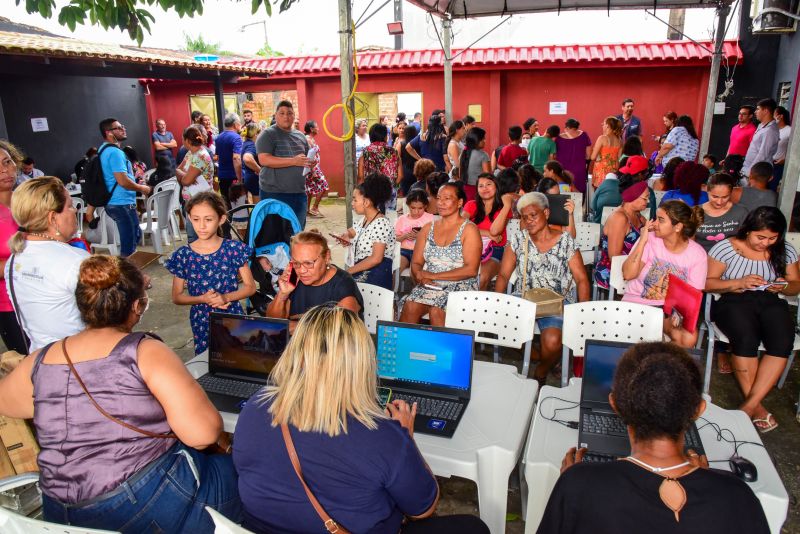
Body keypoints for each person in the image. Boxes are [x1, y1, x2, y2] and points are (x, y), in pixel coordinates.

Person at [0, 254, 242, 532]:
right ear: (137, 306)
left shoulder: (44, 358)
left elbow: (8, 402)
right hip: (136, 504)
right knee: (240, 471)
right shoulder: (143, 351)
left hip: (60, 512)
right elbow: (202, 436)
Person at [234, 304, 490, 534]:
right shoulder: (381, 436)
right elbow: (422, 508)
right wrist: (406, 437)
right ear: (362, 363)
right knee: (474, 527)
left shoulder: (257, 405)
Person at [538, 342, 770, 534]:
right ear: (699, 410)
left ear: (615, 404)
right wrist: (710, 479)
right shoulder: (737, 496)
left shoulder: (578, 483)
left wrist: (573, 483)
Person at [706, 206, 798, 433]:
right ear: (748, 230)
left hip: (770, 300)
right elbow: (707, 283)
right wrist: (738, 282)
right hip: (732, 301)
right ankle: (755, 407)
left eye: (772, 238)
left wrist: (784, 286)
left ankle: (748, 406)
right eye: (761, 237)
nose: (765, 243)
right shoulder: (725, 248)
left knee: (782, 340)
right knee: (746, 338)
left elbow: (796, 284)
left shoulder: (785, 250)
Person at [495, 192, 590, 384]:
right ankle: (539, 356)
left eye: (533, 215)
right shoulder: (517, 240)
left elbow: (581, 279)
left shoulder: (565, 241)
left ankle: (541, 371)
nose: (529, 221)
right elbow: (504, 275)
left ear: (546, 213)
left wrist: (583, 313)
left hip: (555, 301)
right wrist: (499, 302)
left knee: (553, 341)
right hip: (524, 298)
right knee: (504, 329)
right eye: (524, 217)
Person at [165, 192, 256, 355]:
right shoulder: (183, 255)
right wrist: (202, 299)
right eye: (195, 219)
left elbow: (250, 287)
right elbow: (177, 296)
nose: (201, 226)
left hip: (233, 315)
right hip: (201, 320)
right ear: (189, 218)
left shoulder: (234, 249)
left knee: (238, 357)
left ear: (221, 219)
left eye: (208, 219)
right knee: (207, 361)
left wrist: (225, 297)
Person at [5, 176, 88, 351]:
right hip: (80, 361)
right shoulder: (75, 260)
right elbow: (110, 319)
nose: (74, 211)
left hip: (42, 359)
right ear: (52, 218)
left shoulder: (14, 259)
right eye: (70, 206)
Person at [622, 200, 707, 347]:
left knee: (688, 337)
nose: (654, 223)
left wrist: (677, 315)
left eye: (660, 220)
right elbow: (628, 275)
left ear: (678, 227)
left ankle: (665, 367)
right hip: (637, 303)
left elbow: (692, 295)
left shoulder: (697, 254)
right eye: (656, 218)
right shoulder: (650, 240)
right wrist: (642, 241)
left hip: (668, 310)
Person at [399, 182, 481, 326]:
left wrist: (432, 275)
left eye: (447, 198)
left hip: (460, 285)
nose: (441, 203)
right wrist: (419, 276)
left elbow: (471, 269)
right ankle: (405, 348)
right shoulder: (427, 228)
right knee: (410, 305)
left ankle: (442, 349)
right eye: (438, 198)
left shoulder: (469, 229)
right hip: (429, 284)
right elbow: (416, 263)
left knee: (437, 310)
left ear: (460, 202)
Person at [266, 230, 363, 329]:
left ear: (327, 257)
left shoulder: (343, 283)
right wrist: (282, 295)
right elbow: (273, 323)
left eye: (308, 263)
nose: (302, 270)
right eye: (296, 263)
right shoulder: (294, 277)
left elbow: (343, 329)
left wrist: (293, 327)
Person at [97, 118, 151, 256]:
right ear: (109, 133)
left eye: (122, 126)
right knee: (129, 243)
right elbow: (122, 181)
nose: (123, 129)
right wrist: (142, 188)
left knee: (134, 236)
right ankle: (126, 274)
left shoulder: (103, 150)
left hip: (119, 201)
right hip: (120, 202)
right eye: (119, 128)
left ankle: (128, 270)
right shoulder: (115, 153)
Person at [257, 100, 312, 229]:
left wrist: (310, 163)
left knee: (298, 232)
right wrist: (294, 161)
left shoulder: (300, 136)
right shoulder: (267, 134)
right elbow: (264, 160)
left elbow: (303, 160)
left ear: (294, 116)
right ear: (275, 115)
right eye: (281, 113)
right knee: (276, 233)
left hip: (299, 192)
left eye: (289, 113)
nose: (286, 116)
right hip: (274, 192)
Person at [338, 174, 395, 289]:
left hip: (376, 275)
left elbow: (376, 258)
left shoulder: (381, 223)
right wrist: (347, 235)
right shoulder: (365, 219)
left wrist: (348, 272)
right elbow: (355, 231)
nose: (352, 203)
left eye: (355, 200)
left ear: (367, 202)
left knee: (339, 286)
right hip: (363, 268)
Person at [594, 180, 650, 290]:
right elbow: (614, 258)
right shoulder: (619, 218)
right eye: (645, 198)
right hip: (612, 269)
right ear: (632, 196)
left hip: (631, 264)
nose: (647, 201)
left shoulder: (638, 216)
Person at [0, 141, 29, 353]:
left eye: (7, 162)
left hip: (46, 295)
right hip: (9, 305)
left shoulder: (29, 201)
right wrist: (27, 264)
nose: (4, 170)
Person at [464, 173, 511, 290]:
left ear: (496, 187)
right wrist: (487, 233)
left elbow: (495, 231)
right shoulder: (471, 205)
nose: (485, 188)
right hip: (469, 248)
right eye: (481, 186)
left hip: (495, 250)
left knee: (482, 278)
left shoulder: (503, 208)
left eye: (489, 184)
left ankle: (478, 307)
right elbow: (460, 227)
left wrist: (507, 205)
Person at [175, 125, 214, 243]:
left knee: (199, 236)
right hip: (191, 201)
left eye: (182, 139)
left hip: (201, 201)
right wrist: (185, 176)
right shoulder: (190, 154)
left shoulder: (201, 155)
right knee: (192, 236)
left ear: (187, 140)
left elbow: (186, 181)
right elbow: (177, 170)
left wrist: (184, 177)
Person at [695, 172, 748, 252]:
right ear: (706, 190)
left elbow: (745, 240)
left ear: (731, 193)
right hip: (701, 259)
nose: (719, 202)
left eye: (725, 197)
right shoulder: (695, 212)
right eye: (715, 196)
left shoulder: (741, 212)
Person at [359, 123, 399, 211]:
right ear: (385, 136)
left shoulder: (365, 152)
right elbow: (401, 176)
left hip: (371, 191)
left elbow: (361, 177)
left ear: (371, 137)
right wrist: (392, 188)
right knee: (389, 219)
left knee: (372, 217)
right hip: (389, 191)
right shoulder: (394, 152)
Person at [395, 189, 435, 273]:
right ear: (408, 205)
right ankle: (394, 286)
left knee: (417, 272)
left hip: (421, 252)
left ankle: (418, 286)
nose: (416, 211)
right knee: (396, 270)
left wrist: (420, 236)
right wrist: (404, 236)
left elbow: (435, 239)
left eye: (420, 208)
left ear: (425, 206)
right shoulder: (401, 219)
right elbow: (394, 239)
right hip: (403, 252)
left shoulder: (430, 218)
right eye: (413, 208)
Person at [742, 99, 780, 178]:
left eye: (758, 109)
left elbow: (763, 154)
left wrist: (751, 173)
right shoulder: (761, 125)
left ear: (766, 111)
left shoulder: (770, 130)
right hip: (748, 169)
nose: (755, 112)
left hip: (757, 173)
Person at [556, 119, 592, 193]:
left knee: (564, 192)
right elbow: (588, 155)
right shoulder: (584, 135)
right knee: (579, 192)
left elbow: (554, 154)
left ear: (567, 127)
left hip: (563, 171)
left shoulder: (558, 138)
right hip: (579, 170)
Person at [302, 120, 329, 218]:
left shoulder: (311, 139)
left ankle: (307, 210)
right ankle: (314, 207)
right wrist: (313, 171)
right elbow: (309, 156)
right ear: (311, 129)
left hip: (313, 167)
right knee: (324, 185)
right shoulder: (308, 139)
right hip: (312, 168)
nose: (318, 128)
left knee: (309, 190)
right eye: (316, 126)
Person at [215, 113, 243, 203]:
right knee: (238, 207)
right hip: (233, 176)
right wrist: (239, 179)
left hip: (222, 176)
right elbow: (236, 158)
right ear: (235, 124)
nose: (240, 125)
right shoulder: (236, 138)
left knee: (227, 204)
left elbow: (217, 156)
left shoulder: (218, 137)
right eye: (239, 123)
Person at [458, 126, 491, 201]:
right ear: (477, 140)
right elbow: (487, 176)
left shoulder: (463, 154)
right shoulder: (483, 155)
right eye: (483, 139)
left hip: (465, 190)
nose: (485, 141)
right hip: (479, 191)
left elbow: (460, 174)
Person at [589, 117, 623, 188]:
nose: (602, 125)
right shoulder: (620, 140)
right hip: (614, 171)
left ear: (607, 125)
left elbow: (593, 157)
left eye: (603, 124)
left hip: (601, 171)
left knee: (600, 194)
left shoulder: (602, 138)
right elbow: (619, 158)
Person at [771, 105, 791, 191]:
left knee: (771, 187)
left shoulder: (789, 130)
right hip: (767, 162)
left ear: (780, 116)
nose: (772, 117)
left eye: (774, 114)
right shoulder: (771, 129)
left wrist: (785, 159)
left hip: (778, 165)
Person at [241, 122, 262, 202]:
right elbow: (247, 158)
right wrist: (260, 170)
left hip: (249, 177)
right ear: (255, 134)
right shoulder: (251, 145)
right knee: (258, 206)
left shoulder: (246, 143)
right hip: (254, 178)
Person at [398, 124, 419, 195]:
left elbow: (396, 157)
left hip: (405, 170)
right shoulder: (418, 143)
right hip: (418, 169)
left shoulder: (401, 144)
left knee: (406, 192)